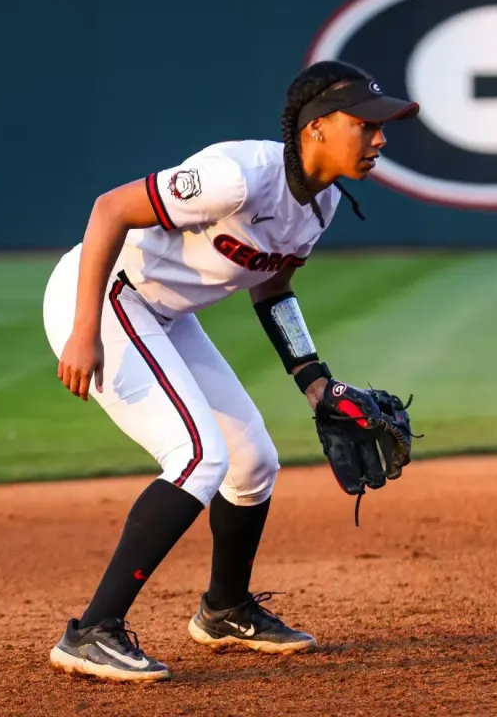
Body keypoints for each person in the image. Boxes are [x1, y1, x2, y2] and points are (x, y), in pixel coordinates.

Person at [41, 59, 420, 682]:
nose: (380, 138)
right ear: (317, 127)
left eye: (383, 126)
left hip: (163, 312)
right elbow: (109, 210)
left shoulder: (320, 205)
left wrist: (314, 380)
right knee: (198, 457)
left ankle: (225, 609)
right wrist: (84, 331)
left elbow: (273, 290)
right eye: (367, 124)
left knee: (252, 462)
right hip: (107, 293)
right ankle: (92, 631)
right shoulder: (236, 178)